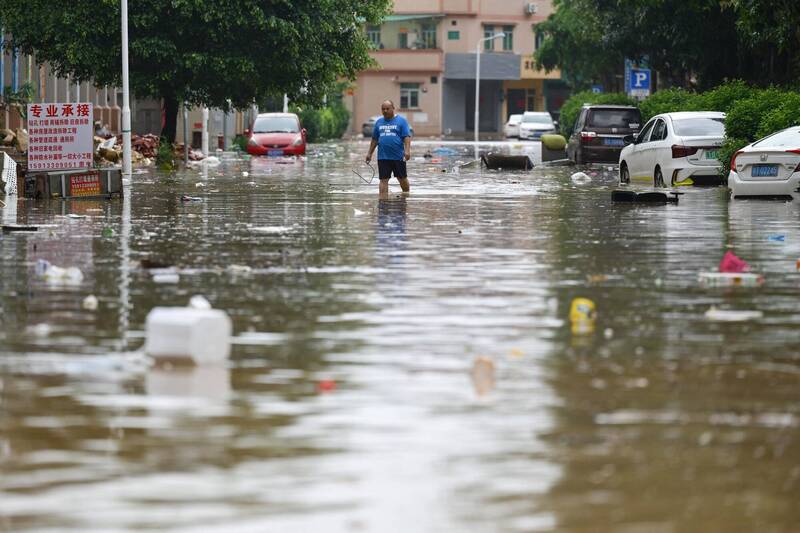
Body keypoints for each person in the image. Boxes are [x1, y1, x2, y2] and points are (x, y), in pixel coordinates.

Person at [365, 100, 411, 198]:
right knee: (383, 180)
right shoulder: (379, 122)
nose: (385, 111)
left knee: (402, 178)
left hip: (398, 156)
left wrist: (407, 151)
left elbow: (406, 137)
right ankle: (383, 203)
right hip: (383, 157)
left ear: (393, 109)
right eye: (383, 109)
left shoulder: (401, 121)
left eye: (387, 109)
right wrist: (369, 153)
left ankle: (406, 195)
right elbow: (375, 139)